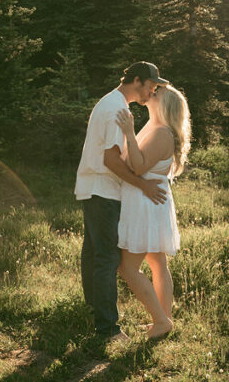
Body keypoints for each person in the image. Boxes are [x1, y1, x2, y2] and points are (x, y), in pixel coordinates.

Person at [75, 61, 170, 339]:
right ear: (137, 80)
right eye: (151, 85)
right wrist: (143, 185)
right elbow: (111, 159)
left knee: (93, 252)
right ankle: (108, 329)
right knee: (106, 257)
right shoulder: (117, 108)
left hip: (93, 188)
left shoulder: (111, 102)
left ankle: (94, 309)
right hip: (103, 190)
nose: (152, 91)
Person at [114, 83, 190, 340]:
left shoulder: (161, 134)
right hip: (152, 203)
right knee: (157, 263)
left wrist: (128, 131)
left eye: (157, 93)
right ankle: (163, 321)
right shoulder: (157, 127)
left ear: (164, 105)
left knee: (127, 268)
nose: (151, 92)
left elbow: (137, 167)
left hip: (146, 206)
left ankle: (160, 320)